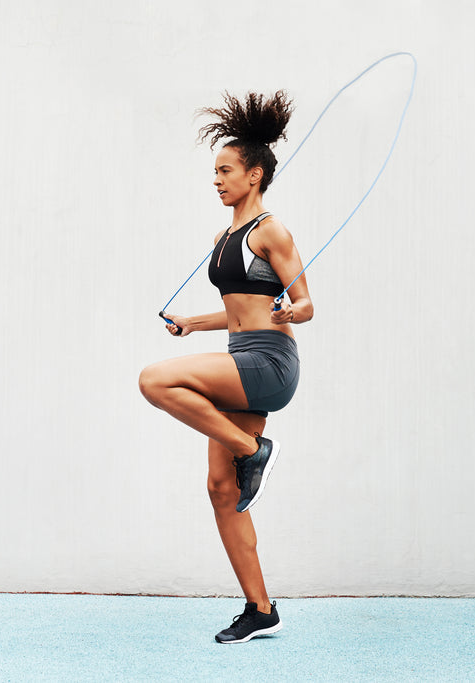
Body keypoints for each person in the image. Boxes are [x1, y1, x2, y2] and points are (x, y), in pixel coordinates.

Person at [138, 90, 314, 644]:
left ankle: (252, 450)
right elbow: (239, 309)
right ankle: (260, 609)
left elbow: (305, 301)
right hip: (241, 358)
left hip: (269, 360)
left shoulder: (271, 231)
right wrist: (194, 323)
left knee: (156, 379)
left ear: (254, 175)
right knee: (221, 490)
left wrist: (294, 310)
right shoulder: (224, 238)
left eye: (225, 170)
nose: (216, 180)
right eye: (214, 171)